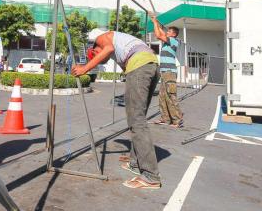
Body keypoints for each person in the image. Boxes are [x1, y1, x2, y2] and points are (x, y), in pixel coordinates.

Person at [72, 31, 161, 190]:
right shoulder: (121, 46)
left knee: (136, 121)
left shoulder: (102, 39)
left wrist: (84, 68)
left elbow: (106, 50)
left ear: (95, 48)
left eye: (95, 56)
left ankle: (150, 176)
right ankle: (135, 162)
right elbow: (122, 62)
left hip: (140, 66)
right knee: (138, 118)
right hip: (151, 64)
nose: (99, 60)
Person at [149, 13, 183, 128]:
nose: (166, 32)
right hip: (164, 72)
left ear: (173, 34)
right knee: (163, 96)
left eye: (168, 32)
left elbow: (159, 35)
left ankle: (177, 120)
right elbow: (161, 33)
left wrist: (154, 23)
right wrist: (156, 21)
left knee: (171, 95)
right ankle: (165, 119)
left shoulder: (174, 41)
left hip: (169, 72)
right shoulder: (168, 41)